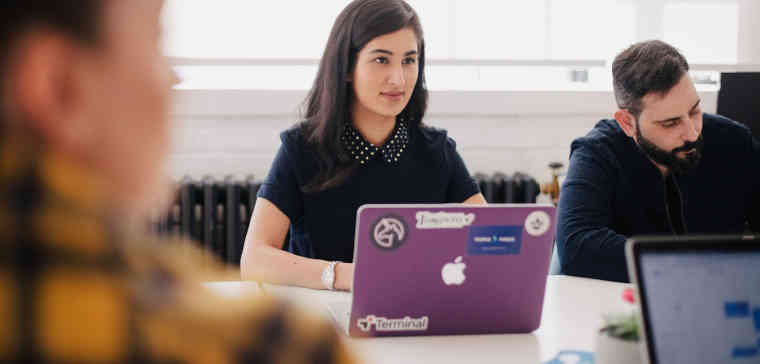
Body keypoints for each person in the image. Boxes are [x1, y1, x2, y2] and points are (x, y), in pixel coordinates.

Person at [0, 1, 355, 362]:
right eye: (157, 39)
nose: (173, 78)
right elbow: (255, 260)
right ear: (60, 88)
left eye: (410, 59)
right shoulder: (280, 346)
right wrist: (339, 275)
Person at [240, 0, 485, 291]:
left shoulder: (438, 150)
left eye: (409, 60)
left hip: (415, 316)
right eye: (382, 59)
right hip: (325, 322)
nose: (399, 78)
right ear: (346, 68)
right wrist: (350, 276)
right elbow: (254, 260)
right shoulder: (301, 149)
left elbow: (488, 239)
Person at [556, 40, 760, 282]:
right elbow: (577, 246)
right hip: (629, 307)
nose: (692, 133)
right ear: (627, 122)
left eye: (694, 111)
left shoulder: (735, 141)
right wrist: (695, 264)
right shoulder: (597, 152)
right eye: (671, 123)